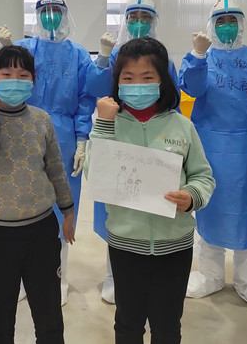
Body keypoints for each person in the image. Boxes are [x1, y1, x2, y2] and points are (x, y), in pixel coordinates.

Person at [85, 37, 215, 344]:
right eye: (128, 78)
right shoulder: (110, 124)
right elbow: (96, 174)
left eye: (147, 77)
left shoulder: (181, 126)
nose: (137, 86)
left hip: (175, 245)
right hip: (126, 244)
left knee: (167, 325)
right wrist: (103, 124)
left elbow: (203, 176)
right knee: (128, 323)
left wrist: (191, 196)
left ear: (161, 81)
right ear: (117, 82)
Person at [0, 44, 75, 344]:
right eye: (7, 73)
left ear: (33, 80)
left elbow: (55, 168)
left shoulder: (41, 119)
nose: (15, 80)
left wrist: (68, 210)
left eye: (23, 75)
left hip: (41, 230)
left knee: (49, 317)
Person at [0, 0, 95, 305]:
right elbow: (4, 88)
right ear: (36, 16)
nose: (50, 16)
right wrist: (7, 51)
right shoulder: (24, 48)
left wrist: (82, 140)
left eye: (56, 10)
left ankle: (57, 277)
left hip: (63, 137)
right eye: (45, 10)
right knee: (22, 207)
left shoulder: (78, 54)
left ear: (65, 15)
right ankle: (21, 278)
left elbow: (85, 100)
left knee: (59, 208)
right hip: (22, 131)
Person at [178, 0, 247, 311]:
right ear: (211, 25)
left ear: (242, 24)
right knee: (210, 207)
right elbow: (191, 89)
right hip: (209, 145)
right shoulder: (202, 58)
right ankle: (210, 273)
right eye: (220, 21)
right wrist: (198, 54)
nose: (226, 26)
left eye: (232, 20)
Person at [86, 0, 180, 304]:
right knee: (117, 208)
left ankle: (152, 276)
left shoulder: (163, 59)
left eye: (145, 17)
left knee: (152, 208)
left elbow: (173, 99)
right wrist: (102, 58)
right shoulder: (115, 56)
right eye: (133, 17)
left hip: (155, 135)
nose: (139, 22)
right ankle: (114, 275)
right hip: (118, 130)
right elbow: (94, 90)